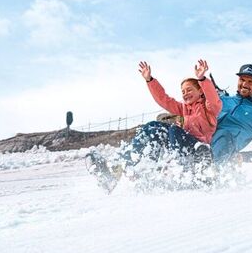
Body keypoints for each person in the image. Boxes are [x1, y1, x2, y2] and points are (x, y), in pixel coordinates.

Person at [88, 59, 222, 189]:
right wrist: (149, 80)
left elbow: (213, 99)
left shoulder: (209, 108)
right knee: (153, 128)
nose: (185, 93)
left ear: (200, 91)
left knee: (174, 130)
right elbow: (164, 100)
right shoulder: (183, 108)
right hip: (181, 146)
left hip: (198, 149)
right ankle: (119, 168)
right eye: (183, 91)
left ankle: (186, 169)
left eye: (189, 90)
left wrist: (202, 79)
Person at [211, 64, 252, 163]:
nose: (244, 84)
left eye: (250, 81)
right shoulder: (222, 100)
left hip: (223, 157)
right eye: (242, 80)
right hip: (203, 146)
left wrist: (242, 157)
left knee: (224, 133)